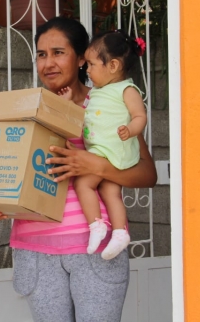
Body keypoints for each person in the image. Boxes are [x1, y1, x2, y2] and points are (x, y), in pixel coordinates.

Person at [0, 17, 157, 322]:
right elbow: (0, 171)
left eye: (58, 52)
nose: (48, 63)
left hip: (95, 249)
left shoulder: (106, 106)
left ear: (82, 58)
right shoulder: (22, 110)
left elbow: (147, 174)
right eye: (41, 55)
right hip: (35, 251)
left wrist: (94, 164)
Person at [58, 30, 147, 260]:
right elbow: (84, 114)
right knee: (110, 191)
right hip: (100, 150)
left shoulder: (126, 90)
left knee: (84, 185)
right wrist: (68, 104)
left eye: (91, 64)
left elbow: (140, 116)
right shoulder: (96, 92)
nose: (86, 70)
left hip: (113, 149)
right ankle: (119, 232)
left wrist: (131, 130)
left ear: (114, 65)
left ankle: (96, 225)